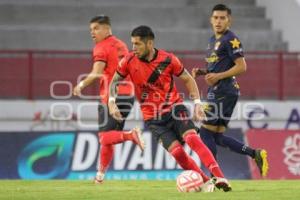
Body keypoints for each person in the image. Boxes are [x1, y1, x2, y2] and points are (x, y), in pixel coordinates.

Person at [108, 25, 232, 192]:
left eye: (137, 44)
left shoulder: (168, 59)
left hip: (175, 108)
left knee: (192, 139)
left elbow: (188, 79)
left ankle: (219, 176)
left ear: (149, 43)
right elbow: (115, 80)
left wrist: (197, 103)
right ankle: (205, 182)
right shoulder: (128, 61)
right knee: (177, 153)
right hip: (153, 118)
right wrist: (111, 100)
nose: (133, 48)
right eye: (132, 44)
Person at [192, 4, 269, 177]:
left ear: (229, 20)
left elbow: (241, 67)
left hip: (223, 90)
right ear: (211, 19)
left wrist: (218, 77)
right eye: (216, 18)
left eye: (222, 18)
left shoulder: (231, 39)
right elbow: (218, 66)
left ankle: (215, 177)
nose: (218, 21)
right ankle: (255, 154)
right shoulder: (213, 40)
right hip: (224, 90)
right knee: (217, 137)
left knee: (204, 133)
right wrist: (203, 72)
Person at [73, 15, 145, 184]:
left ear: (107, 29)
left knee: (104, 137)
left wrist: (81, 84)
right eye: (91, 30)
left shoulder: (101, 47)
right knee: (110, 137)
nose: (92, 33)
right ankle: (100, 176)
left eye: (96, 29)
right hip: (128, 96)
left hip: (111, 96)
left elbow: (97, 72)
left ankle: (130, 135)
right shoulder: (122, 44)